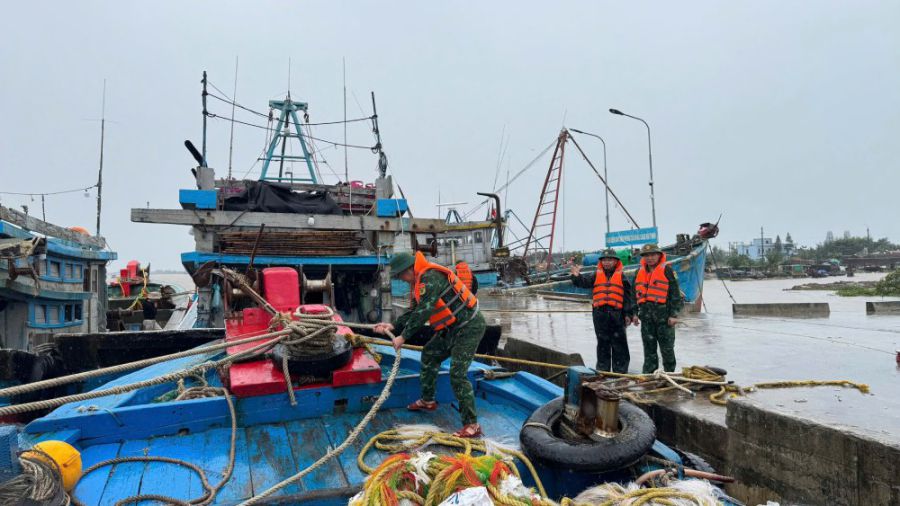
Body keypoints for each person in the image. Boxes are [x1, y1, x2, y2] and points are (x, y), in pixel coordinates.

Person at [373, 251, 485, 438]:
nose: (402, 280)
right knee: (430, 353)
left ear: (409, 270)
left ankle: (472, 424)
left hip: (469, 327)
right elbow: (414, 310)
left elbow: (424, 311)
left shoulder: (431, 277)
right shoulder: (418, 282)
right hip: (451, 328)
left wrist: (403, 337)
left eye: (401, 276)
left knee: (457, 375)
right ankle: (428, 401)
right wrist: (393, 326)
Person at [570, 248, 635, 372]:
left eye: (610, 260)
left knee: (619, 344)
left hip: (617, 315)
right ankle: (602, 370)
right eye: (604, 260)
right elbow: (584, 283)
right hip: (600, 314)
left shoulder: (622, 276)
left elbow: (628, 297)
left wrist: (628, 314)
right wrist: (576, 276)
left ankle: (620, 371)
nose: (607, 262)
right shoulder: (596, 274)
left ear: (616, 261)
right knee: (602, 343)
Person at [632, 244, 683, 373]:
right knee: (649, 350)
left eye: (653, 255)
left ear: (659, 255)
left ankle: (669, 374)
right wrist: (634, 314)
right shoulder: (638, 272)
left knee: (667, 350)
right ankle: (649, 375)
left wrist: (673, 315)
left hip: (664, 319)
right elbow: (634, 295)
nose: (650, 258)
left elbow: (675, 294)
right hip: (646, 318)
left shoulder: (667, 270)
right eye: (646, 255)